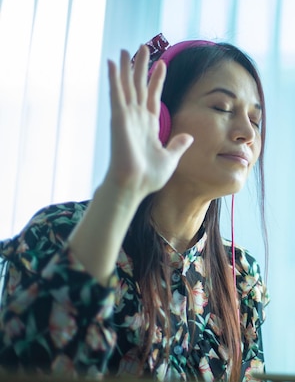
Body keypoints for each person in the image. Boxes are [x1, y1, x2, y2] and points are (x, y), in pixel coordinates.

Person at [0, 34, 269, 382]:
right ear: (160, 119)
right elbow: (31, 368)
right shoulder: (60, 231)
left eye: (256, 120)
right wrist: (122, 185)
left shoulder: (242, 277)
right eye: (222, 107)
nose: (247, 133)